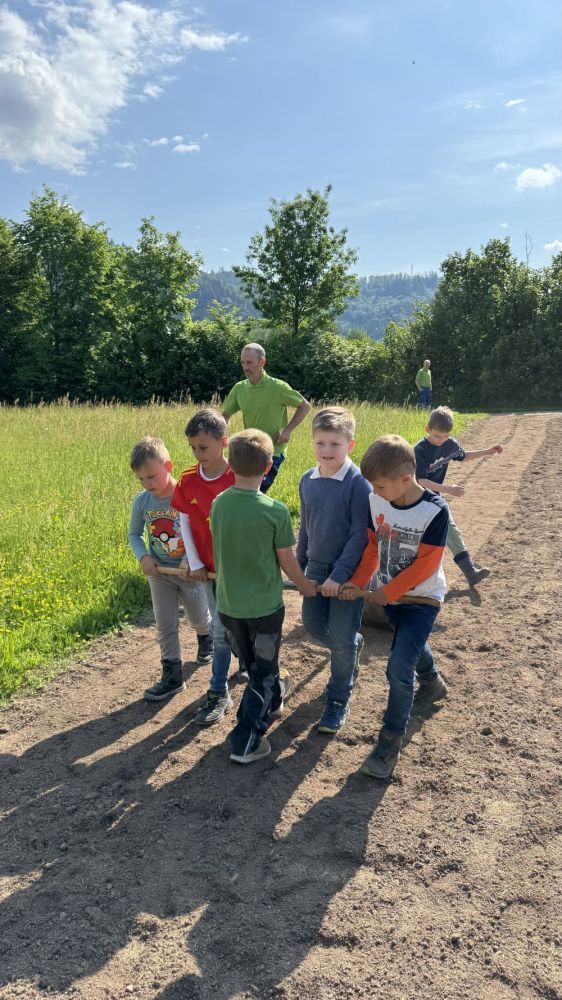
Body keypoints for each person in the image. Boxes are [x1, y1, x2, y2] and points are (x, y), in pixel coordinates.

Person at [341, 434, 449, 779]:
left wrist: (388, 592)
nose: (374, 493)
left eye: (379, 486)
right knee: (408, 641)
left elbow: (427, 564)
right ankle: (432, 682)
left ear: (405, 479)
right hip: (392, 596)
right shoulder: (379, 502)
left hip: (422, 598)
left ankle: (388, 743)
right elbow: (374, 548)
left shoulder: (434, 511)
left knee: (399, 666)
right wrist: (359, 583)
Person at [210, 428, 317, 764]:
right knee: (264, 672)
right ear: (270, 464)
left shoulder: (219, 504)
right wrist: (305, 586)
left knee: (252, 664)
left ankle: (270, 702)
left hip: (227, 607)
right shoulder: (275, 511)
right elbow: (287, 560)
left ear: (230, 463)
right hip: (264, 610)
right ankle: (246, 740)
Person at [297, 407, 372, 734]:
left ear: (350, 445)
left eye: (335, 444)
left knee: (339, 639)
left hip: (348, 573)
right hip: (314, 567)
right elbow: (305, 529)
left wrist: (339, 576)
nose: (327, 451)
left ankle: (338, 698)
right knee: (313, 628)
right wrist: (301, 569)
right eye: (320, 443)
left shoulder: (358, 484)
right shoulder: (307, 480)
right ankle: (351, 646)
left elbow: (359, 535)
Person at [128, 437, 212, 702]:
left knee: (198, 617)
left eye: (152, 477)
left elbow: (201, 531)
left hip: (190, 572)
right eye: (141, 479)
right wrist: (143, 557)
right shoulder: (142, 502)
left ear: (169, 466)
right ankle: (172, 675)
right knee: (165, 623)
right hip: (160, 572)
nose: (147, 484)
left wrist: (193, 559)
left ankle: (206, 636)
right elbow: (134, 534)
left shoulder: (187, 497)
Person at [172, 409, 237, 726]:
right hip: (208, 570)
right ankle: (219, 691)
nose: (198, 455)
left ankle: (260, 671)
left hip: (238, 572)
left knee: (240, 629)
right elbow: (184, 520)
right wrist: (194, 560)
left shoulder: (239, 476)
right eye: (193, 448)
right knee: (220, 631)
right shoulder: (186, 479)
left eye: (204, 448)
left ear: (223, 442)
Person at [414, 406, 503, 587]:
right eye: (437, 436)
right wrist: (449, 489)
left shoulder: (450, 444)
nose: (441, 441)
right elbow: (421, 481)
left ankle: (470, 572)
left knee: (450, 529)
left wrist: (487, 451)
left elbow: (462, 456)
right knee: (415, 537)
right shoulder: (420, 449)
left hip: (434, 497)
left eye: (445, 436)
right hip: (414, 497)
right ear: (427, 429)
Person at [222, 342, 311, 492]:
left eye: (249, 362)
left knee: (257, 490)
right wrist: (222, 435)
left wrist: (288, 430)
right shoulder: (239, 388)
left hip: (273, 451)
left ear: (262, 362)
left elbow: (305, 406)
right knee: (240, 489)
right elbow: (225, 415)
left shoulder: (278, 387)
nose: (245, 366)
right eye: (242, 362)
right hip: (249, 449)